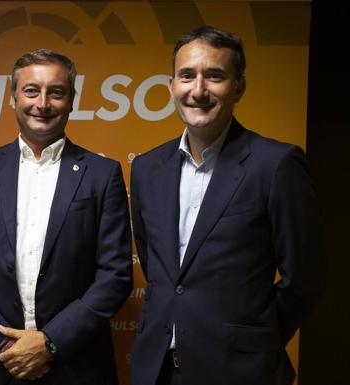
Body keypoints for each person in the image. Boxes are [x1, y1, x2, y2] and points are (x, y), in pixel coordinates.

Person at [129, 26, 325, 385]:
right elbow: (160, 268)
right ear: (171, 85)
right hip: (155, 370)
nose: (198, 90)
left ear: (238, 87)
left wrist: (252, 339)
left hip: (240, 372)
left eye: (215, 76)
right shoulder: (146, 168)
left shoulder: (276, 164)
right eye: (187, 76)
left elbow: (305, 279)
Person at [0, 49, 132, 385]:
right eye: (31, 91)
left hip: (74, 367)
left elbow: (115, 275)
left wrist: (49, 342)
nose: (42, 103)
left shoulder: (103, 175)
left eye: (56, 92)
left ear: (71, 100)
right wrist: (5, 344)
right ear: (13, 98)